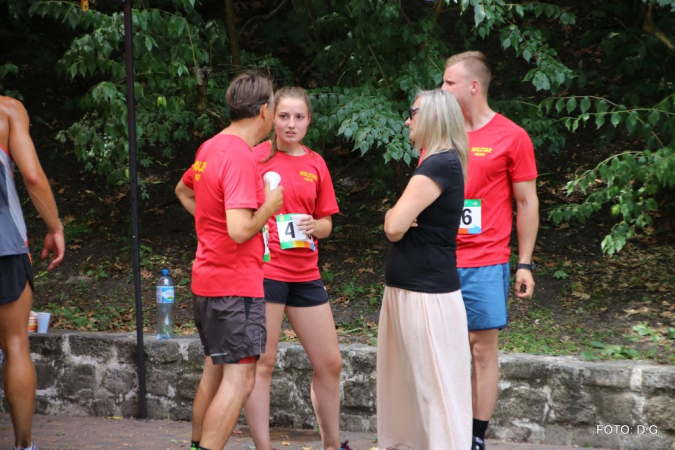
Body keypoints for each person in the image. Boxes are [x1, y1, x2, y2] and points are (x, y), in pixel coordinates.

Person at [174, 71, 284, 450]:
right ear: (266, 111)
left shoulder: (211, 146)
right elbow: (239, 229)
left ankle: (195, 445)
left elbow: (183, 191)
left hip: (207, 280)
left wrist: (211, 225)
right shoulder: (239, 155)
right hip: (235, 286)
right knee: (240, 381)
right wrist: (270, 206)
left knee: (216, 376)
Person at [441, 51, 539, 450]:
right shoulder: (442, 132)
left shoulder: (512, 136)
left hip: (485, 261)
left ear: (473, 86)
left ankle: (475, 438)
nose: (442, 89)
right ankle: (445, 428)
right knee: (443, 351)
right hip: (439, 259)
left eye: (449, 82)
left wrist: (525, 264)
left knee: (482, 351)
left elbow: (527, 202)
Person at [243, 86, 347, 450]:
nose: (291, 124)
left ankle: (332, 445)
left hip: (306, 275)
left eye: (298, 117)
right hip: (267, 271)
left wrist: (312, 227)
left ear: (308, 120)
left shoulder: (316, 162)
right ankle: (264, 447)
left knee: (330, 363)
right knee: (263, 363)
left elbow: (326, 224)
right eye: (284, 116)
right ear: (270, 117)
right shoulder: (254, 157)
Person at [377, 89, 471, 450]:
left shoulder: (438, 165)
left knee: (435, 391)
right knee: (409, 390)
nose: (407, 120)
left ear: (430, 116)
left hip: (425, 294)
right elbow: (399, 222)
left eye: (412, 112)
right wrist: (396, 216)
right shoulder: (438, 163)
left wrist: (390, 215)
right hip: (412, 290)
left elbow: (393, 226)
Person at [0, 96, 65, 450]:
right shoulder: (8, 111)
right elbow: (32, 175)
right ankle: (24, 446)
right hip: (4, 244)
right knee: (14, 344)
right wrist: (55, 227)